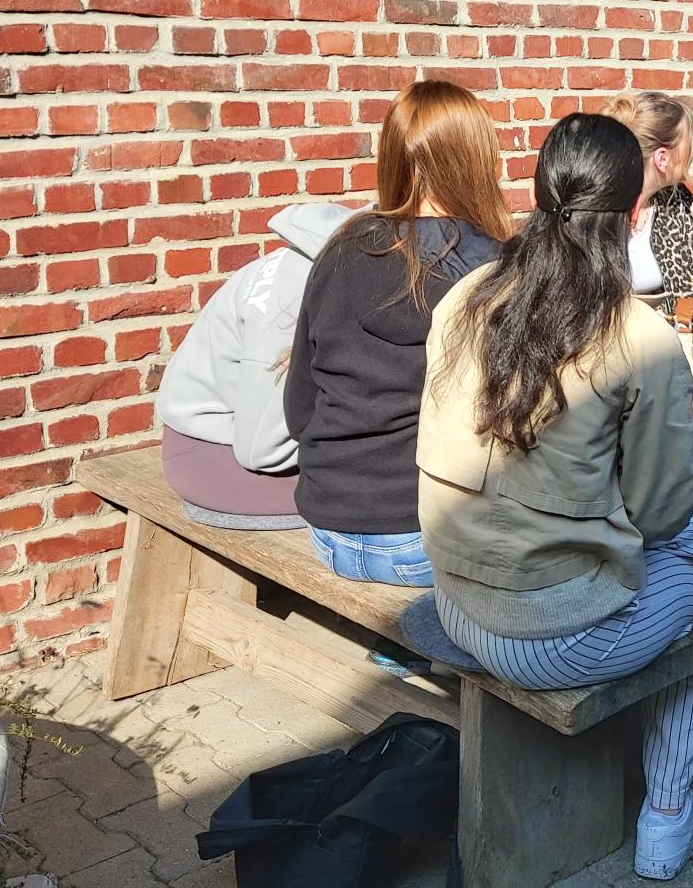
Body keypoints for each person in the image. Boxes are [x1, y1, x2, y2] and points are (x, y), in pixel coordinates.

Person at [417, 113, 693, 881]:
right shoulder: (637, 335)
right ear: (635, 210)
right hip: (545, 635)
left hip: (455, 597)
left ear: (539, 193)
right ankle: (691, 798)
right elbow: (667, 510)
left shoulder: (465, 296)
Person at [283, 80, 511, 585]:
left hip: (328, 526)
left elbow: (299, 406)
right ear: (478, 161)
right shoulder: (495, 269)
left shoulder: (341, 248)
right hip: (424, 535)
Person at [156, 202, 357, 529]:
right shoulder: (291, 301)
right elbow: (261, 451)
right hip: (220, 460)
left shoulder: (315, 264)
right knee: (394, 497)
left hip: (221, 441)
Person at [601, 90, 693, 346]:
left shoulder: (680, 206)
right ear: (662, 158)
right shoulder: (595, 210)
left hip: (660, 350)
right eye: (689, 143)